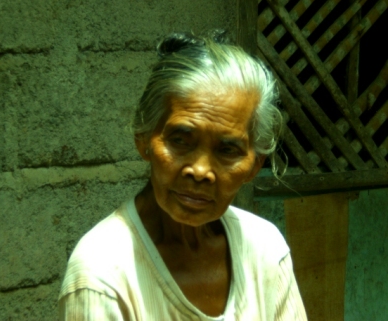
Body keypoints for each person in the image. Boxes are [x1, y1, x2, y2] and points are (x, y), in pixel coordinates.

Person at [58, 30, 307, 320]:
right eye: (180, 140)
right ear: (144, 138)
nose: (200, 171)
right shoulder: (101, 276)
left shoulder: (265, 249)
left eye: (228, 150)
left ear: (254, 165)